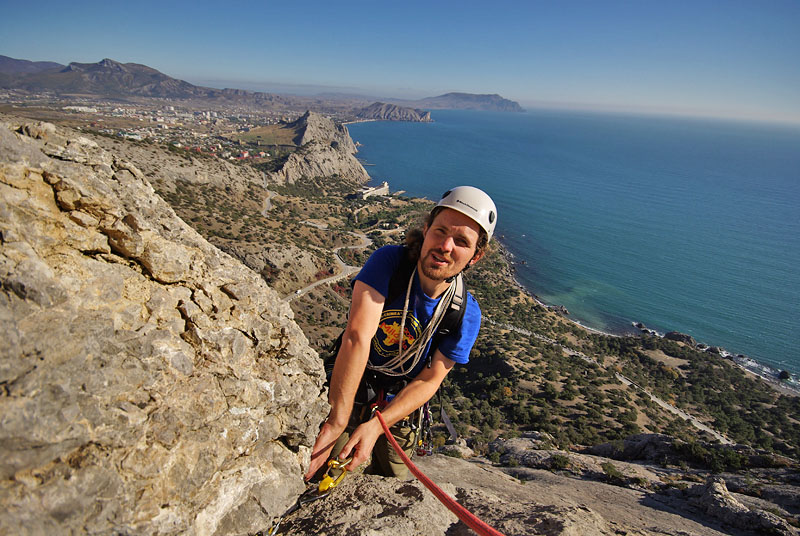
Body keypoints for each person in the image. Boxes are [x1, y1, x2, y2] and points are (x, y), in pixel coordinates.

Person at [304, 186, 497, 480]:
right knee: (322, 465)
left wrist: (377, 425)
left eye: (461, 241)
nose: (445, 246)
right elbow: (357, 336)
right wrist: (337, 421)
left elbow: (431, 379)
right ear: (425, 229)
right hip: (351, 383)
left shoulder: (464, 313)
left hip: (399, 405)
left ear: (476, 256)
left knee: (395, 480)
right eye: (440, 231)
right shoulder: (389, 264)